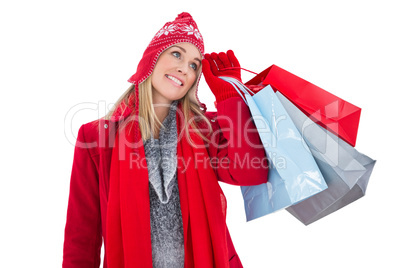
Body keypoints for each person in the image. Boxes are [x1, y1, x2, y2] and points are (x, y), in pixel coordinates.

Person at [63, 12, 269, 268]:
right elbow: (82, 233)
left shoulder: (204, 130)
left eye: (195, 65)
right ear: (152, 58)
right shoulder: (97, 138)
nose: (185, 67)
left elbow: (251, 172)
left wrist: (230, 97)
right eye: (176, 53)